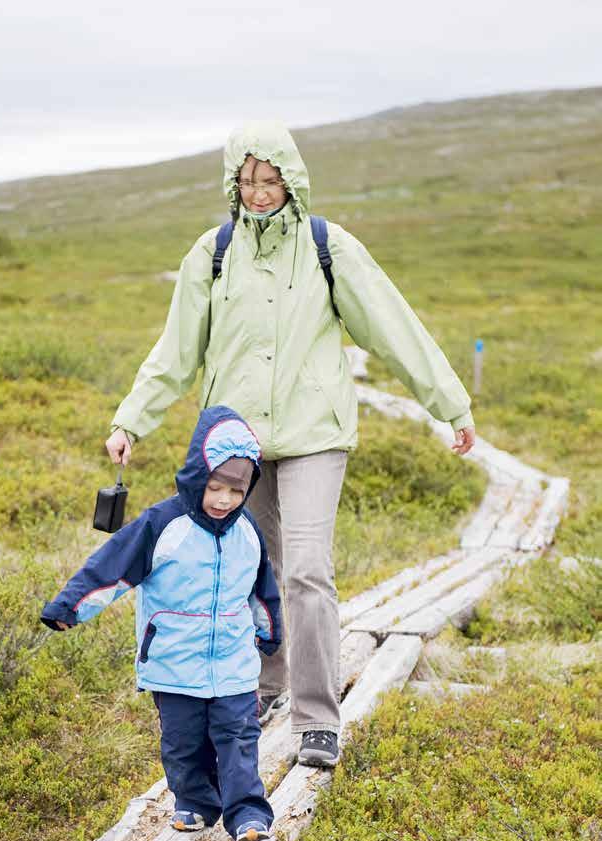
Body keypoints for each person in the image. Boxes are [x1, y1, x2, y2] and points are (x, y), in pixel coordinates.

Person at [105, 121, 476, 770]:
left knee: (305, 569)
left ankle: (315, 718)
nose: (255, 191)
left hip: (313, 435)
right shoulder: (212, 253)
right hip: (237, 440)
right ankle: (265, 686)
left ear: (290, 178)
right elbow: (175, 351)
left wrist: (450, 404)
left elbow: (394, 328)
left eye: (267, 179)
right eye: (245, 180)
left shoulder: (327, 247)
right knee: (252, 570)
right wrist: (131, 420)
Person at [41, 405, 282, 841]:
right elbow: (110, 568)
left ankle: (247, 812)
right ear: (196, 477)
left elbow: (262, 587)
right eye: (215, 487)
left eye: (236, 491)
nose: (224, 500)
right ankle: (194, 803)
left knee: (238, 738)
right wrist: (69, 607)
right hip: (173, 662)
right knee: (183, 742)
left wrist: (268, 631)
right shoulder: (162, 525)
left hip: (233, 664)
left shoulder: (247, 530)